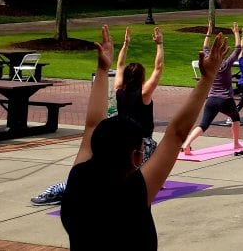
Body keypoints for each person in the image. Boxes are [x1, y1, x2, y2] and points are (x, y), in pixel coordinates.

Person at [59, 25, 229, 249]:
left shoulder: (78, 179)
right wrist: (207, 78)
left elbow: (92, 125)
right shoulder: (133, 192)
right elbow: (176, 133)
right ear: (136, 158)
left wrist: (102, 70)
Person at [30, 26, 164, 206]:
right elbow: (159, 67)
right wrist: (159, 44)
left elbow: (119, 66)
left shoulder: (119, 89)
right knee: (131, 167)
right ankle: (67, 190)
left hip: (119, 141)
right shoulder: (144, 94)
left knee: (100, 170)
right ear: (141, 78)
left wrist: (125, 45)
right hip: (141, 145)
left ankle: (63, 189)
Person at [181, 21, 243, 155]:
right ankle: (236, 143)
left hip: (211, 100)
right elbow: (238, 49)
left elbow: (205, 48)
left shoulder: (209, 63)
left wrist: (209, 32)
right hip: (226, 99)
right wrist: (236, 33)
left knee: (203, 124)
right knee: (236, 118)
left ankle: (187, 143)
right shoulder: (226, 64)